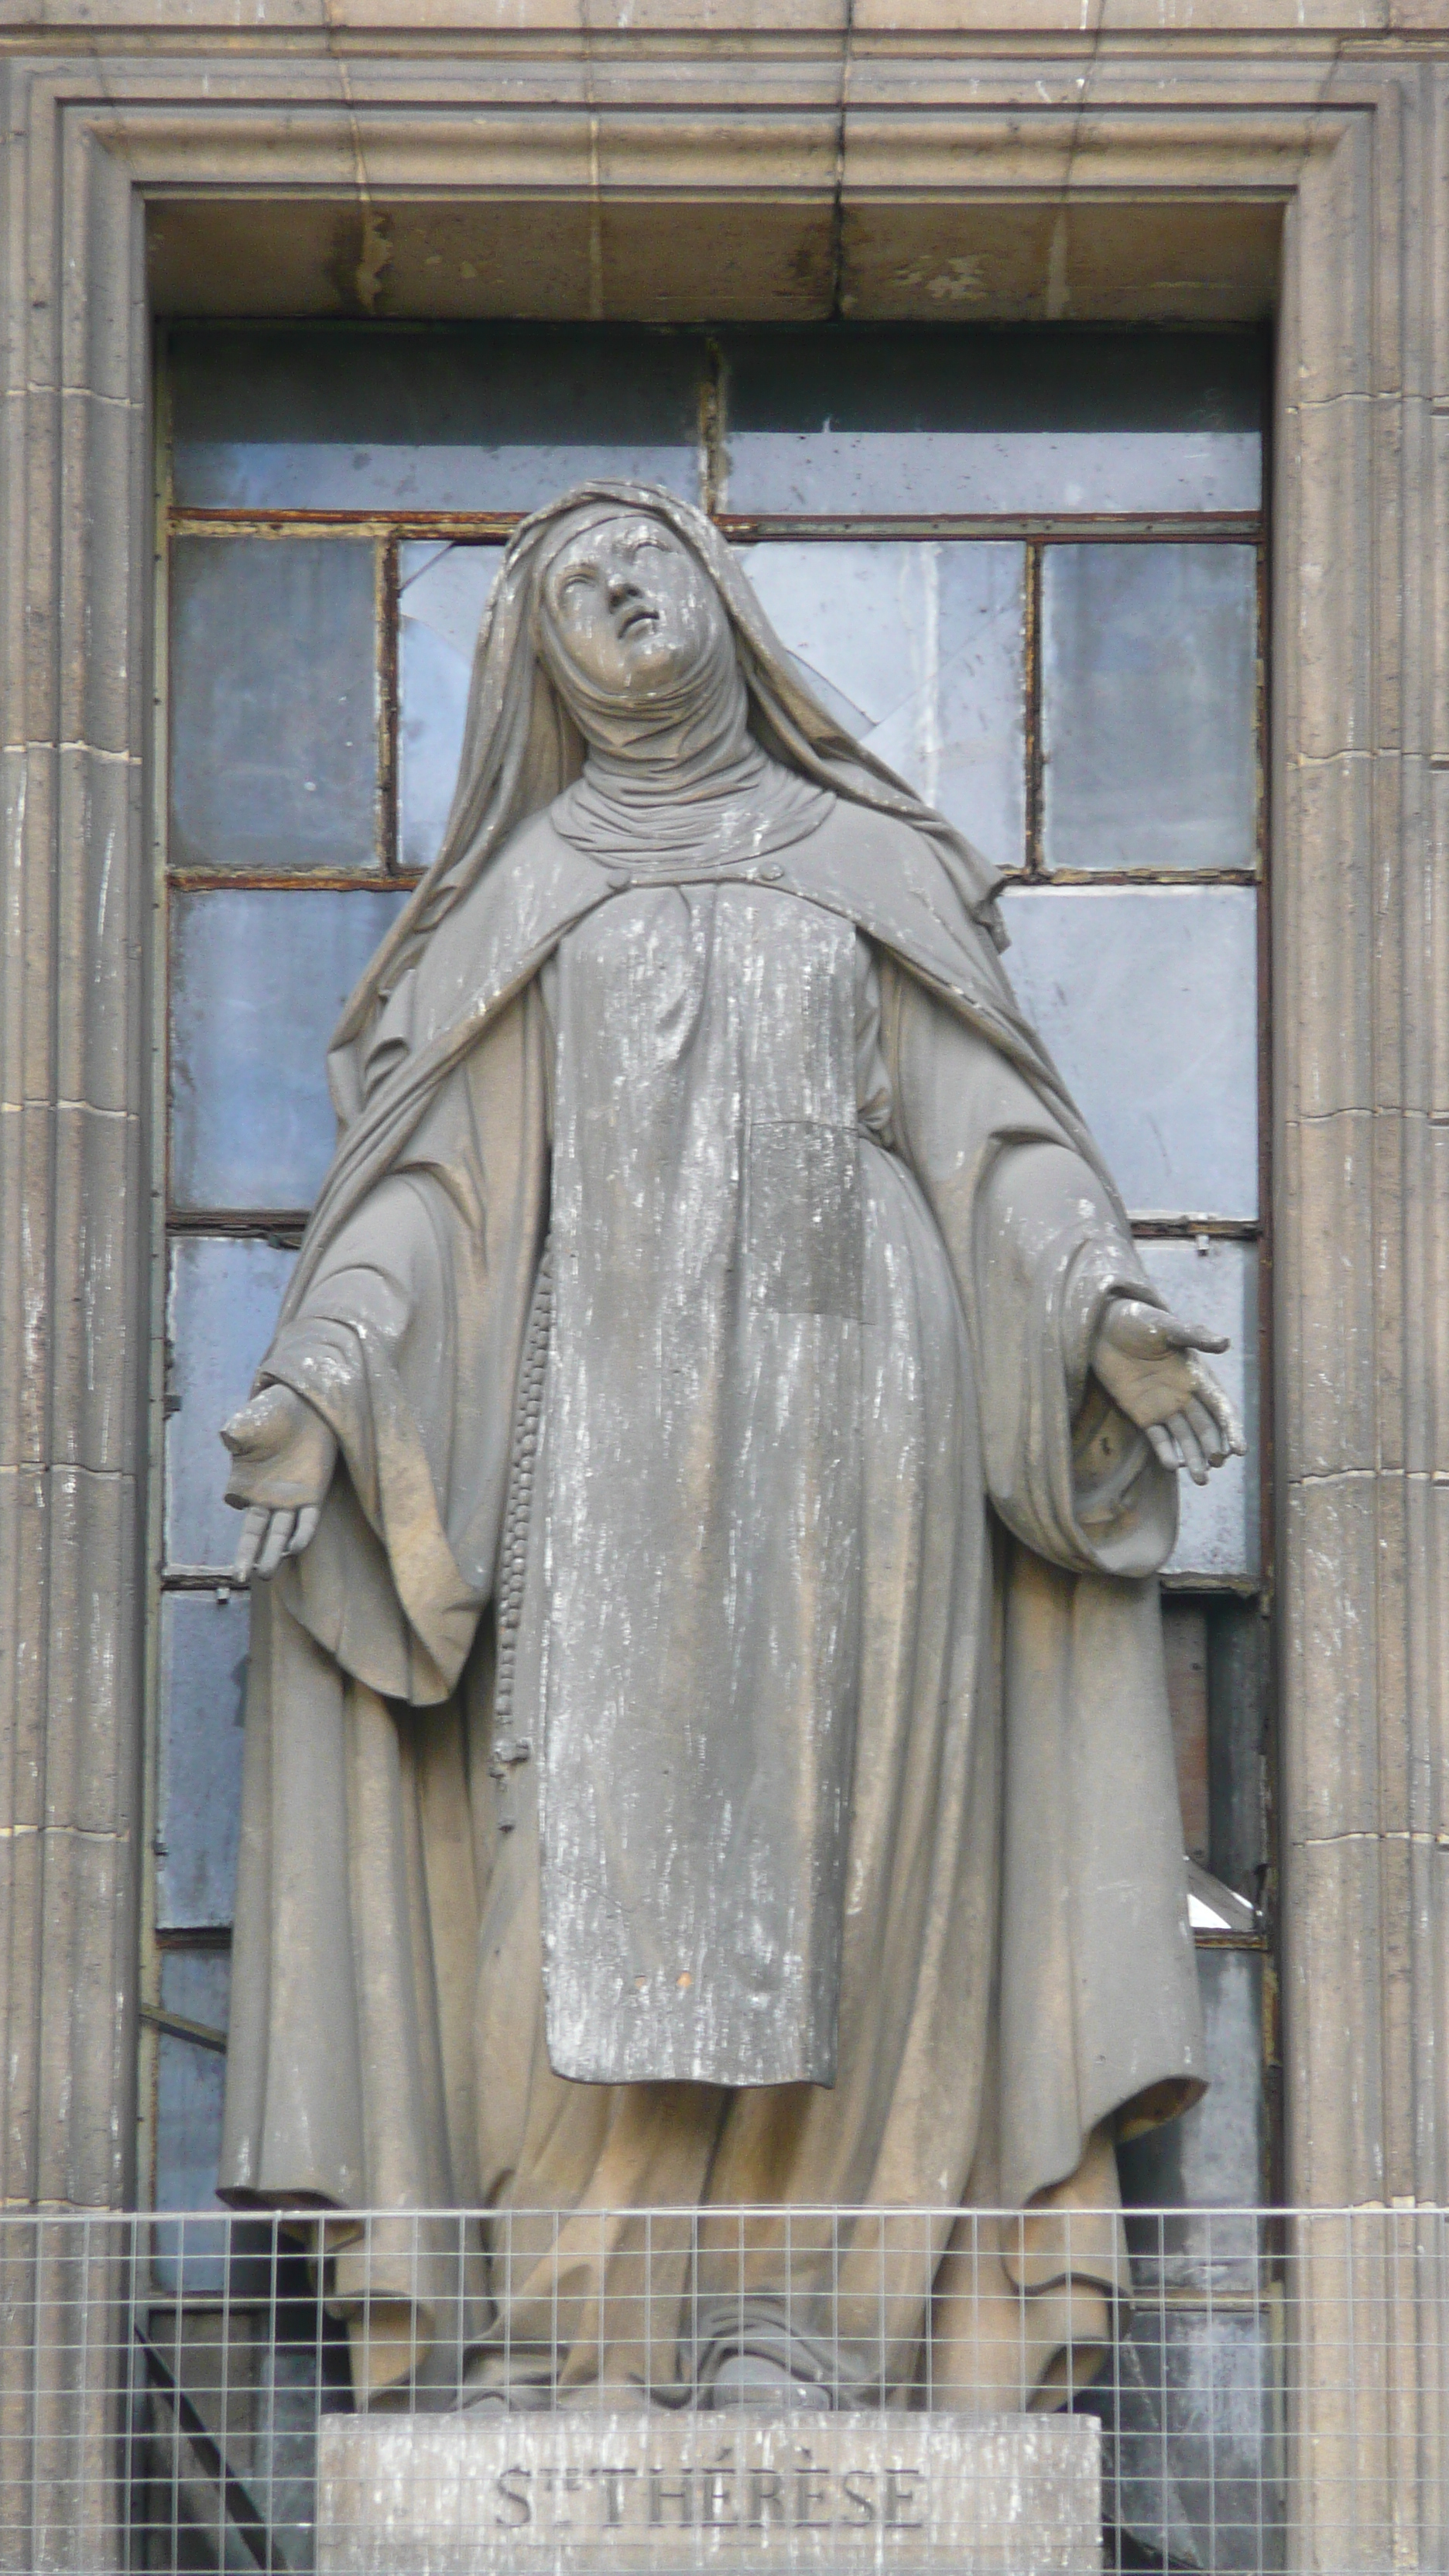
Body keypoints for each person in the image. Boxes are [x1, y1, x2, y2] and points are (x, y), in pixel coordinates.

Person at [217, 482, 1242, 2414]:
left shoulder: (869, 863)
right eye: (576, 587)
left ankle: (819, 2330)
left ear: (721, 599)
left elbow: (993, 1142)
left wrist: (1095, 1299)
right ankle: (560, 2339)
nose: (618, 590)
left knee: (857, 1868)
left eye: (648, 557)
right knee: (561, 1875)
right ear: (544, 670)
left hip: (868, 1411)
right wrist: (327, 1379)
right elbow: (429, 1197)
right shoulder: (519, 903)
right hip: (598, 1421)